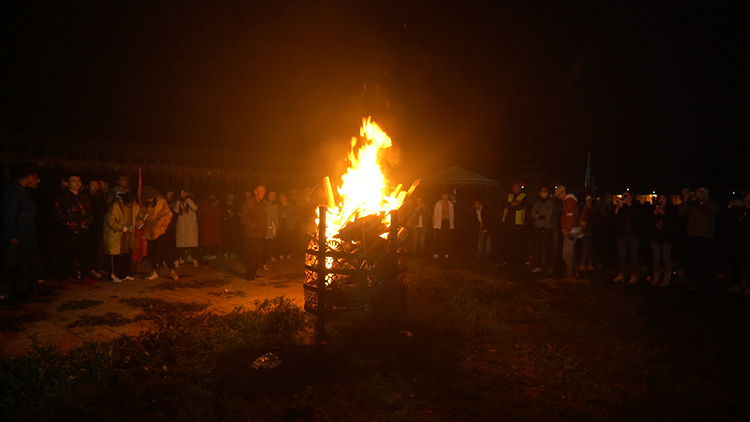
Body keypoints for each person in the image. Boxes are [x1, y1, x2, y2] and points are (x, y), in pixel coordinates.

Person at [1, 164, 43, 300]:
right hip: (21, 229)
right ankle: (13, 289)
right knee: (17, 259)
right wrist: (13, 234)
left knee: (28, 258)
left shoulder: (24, 190)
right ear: (29, 176)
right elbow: (10, 214)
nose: (36, 180)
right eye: (35, 177)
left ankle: (28, 286)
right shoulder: (14, 192)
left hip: (28, 228)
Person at [54, 173, 97, 287]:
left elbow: (88, 211)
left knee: (84, 254)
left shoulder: (84, 197)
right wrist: (69, 224)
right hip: (69, 231)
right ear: (67, 183)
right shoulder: (63, 197)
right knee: (67, 255)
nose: (77, 183)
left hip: (83, 230)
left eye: (79, 180)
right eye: (73, 180)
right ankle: (64, 278)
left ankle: (84, 276)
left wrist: (87, 222)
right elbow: (59, 214)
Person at [678, 186, 719, 287]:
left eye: (702, 191)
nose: (699, 193)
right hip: (692, 235)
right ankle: (692, 280)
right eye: (698, 191)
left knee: (703, 260)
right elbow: (682, 212)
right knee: (689, 259)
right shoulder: (693, 203)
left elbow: (712, 209)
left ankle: (704, 281)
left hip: (704, 236)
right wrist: (686, 199)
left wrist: (703, 199)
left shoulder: (712, 202)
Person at [139, 186, 178, 281]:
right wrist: (144, 217)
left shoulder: (161, 202)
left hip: (159, 230)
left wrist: (161, 222)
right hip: (149, 230)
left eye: (150, 198)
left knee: (163, 251)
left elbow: (168, 214)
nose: (149, 200)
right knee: (152, 252)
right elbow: (140, 214)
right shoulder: (144, 203)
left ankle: (172, 269)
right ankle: (153, 271)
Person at [103, 191, 140, 282]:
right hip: (114, 233)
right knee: (114, 255)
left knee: (125, 255)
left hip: (126, 235)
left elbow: (137, 215)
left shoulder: (132, 206)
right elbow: (111, 221)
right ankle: (112, 275)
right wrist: (124, 228)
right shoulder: (116, 205)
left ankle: (124, 274)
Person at [612, 192, 642, 284]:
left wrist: (630, 207)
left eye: (629, 197)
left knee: (634, 256)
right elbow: (615, 221)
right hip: (621, 235)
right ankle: (622, 274)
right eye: (625, 197)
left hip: (632, 235)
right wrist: (617, 209)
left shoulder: (636, 207)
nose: (627, 199)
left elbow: (638, 217)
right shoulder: (622, 208)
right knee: (622, 256)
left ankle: (635, 275)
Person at [649, 193, 679, 287]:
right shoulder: (654, 209)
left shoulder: (671, 210)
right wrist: (654, 215)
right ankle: (656, 277)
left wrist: (664, 215)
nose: (661, 201)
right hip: (655, 238)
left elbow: (672, 224)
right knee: (656, 258)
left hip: (666, 238)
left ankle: (667, 278)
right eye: (660, 199)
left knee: (666, 258)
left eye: (664, 198)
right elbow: (649, 223)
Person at [241, 185, 267, 280]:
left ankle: (253, 273)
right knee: (251, 255)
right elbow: (244, 220)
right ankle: (250, 275)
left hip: (260, 234)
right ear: (255, 191)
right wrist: (255, 226)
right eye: (261, 191)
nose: (263, 193)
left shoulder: (261, 203)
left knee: (257, 255)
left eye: (264, 191)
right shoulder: (249, 203)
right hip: (251, 235)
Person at [555, 185, 580, 280]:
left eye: (558, 195)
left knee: (567, 254)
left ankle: (570, 274)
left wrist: (567, 229)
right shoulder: (570, 201)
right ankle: (574, 272)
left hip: (570, 231)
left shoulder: (569, 202)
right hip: (573, 230)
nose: (558, 197)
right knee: (571, 253)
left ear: (563, 192)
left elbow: (570, 217)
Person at [501, 182, 529, 264]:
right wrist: (513, 204)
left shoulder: (523, 196)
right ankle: (508, 259)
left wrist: (510, 205)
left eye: (517, 187)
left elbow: (521, 206)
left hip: (518, 223)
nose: (515, 188)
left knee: (518, 243)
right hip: (508, 223)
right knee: (508, 242)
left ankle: (518, 260)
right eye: (514, 187)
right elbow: (503, 204)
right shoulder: (508, 195)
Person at [529, 186, 554, 273]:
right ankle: (537, 265)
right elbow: (533, 214)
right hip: (537, 228)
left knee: (548, 248)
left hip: (547, 228)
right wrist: (543, 215)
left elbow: (550, 213)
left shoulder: (551, 202)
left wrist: (539, 212)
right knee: (536, 248)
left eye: (545, 191)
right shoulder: (537, 202)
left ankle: (548, 266)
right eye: (542, 192)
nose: (543, 193)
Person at [173, 189, 199, 267]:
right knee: (180, 245)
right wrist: (178, 201)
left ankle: (195, 260)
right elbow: (175, 210)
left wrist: (187, 199)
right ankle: (178, 260)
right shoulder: (179, 202)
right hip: (181, 226)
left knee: (192, 245)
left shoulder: (191, 201)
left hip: (190, 227)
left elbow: (195, 208)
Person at [198, 193, 222, 260]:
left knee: (213, 241)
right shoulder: (204, 202)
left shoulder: (216, 203)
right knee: (207, 240)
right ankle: (206, 254)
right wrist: (212, 205)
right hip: (207, 225)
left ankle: (212, 253)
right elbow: (204, 211)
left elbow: (219, 211)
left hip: (214, 225)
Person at [432, 190, 454, 259]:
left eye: (446, 195)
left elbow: (452, 215)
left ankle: (446, 252)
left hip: (447, 222)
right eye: (444, 195)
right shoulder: (438, 204)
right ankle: (437, 252)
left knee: (446, 238)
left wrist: (452, 224)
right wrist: (434, 223)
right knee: (438, 239)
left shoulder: (450, 204)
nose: (445, 197)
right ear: (441, 196)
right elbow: (435, 213)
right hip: (439, 223)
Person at [276, 193, 298, 260]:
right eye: (281, 197)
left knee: (288, 240)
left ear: (286, 198)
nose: (282, 199)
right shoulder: (278, 207)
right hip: (281, 224)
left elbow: (298, 213)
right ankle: (281, 254)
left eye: (283, 197)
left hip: (289, 225)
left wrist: (294, 220)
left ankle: (288, 254)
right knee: (281, 240)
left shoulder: (291, 206)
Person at [221, 193, 242, 259]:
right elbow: (222, 214)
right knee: (226, 238)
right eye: (229, 196)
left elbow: (238, 214)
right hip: (226, 224)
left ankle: (232, 252)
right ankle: (225, 252)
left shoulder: (235, 205)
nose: (231, 197)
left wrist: (234, 214)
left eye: (232, 196)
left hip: (233, 224)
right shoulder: (224, 205)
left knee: (233, 238)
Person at [262, 190, 279, 270]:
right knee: (264, 246)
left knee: (270, 245)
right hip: (264, 228)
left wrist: (277, 226)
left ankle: (268, 258)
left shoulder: (274, 205)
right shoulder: (263, 203)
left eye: (274, 195)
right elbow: (263, 212)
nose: (272, 197)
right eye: (271, 195)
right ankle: (263, 263)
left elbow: (275, 217)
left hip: (272, 228)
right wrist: (272, 207)